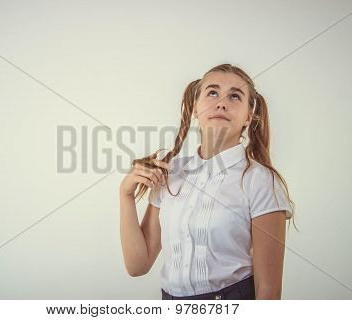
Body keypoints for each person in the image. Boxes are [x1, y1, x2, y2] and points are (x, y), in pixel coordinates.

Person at [119, 63, 297, 300]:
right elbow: (137, 265)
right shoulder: (171, 172)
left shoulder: (260, 181)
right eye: (212, 92)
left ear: (248, 117)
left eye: (235, 96)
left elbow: (269, 291)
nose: (221, 102)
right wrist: (125, 195)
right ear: (195, 108)